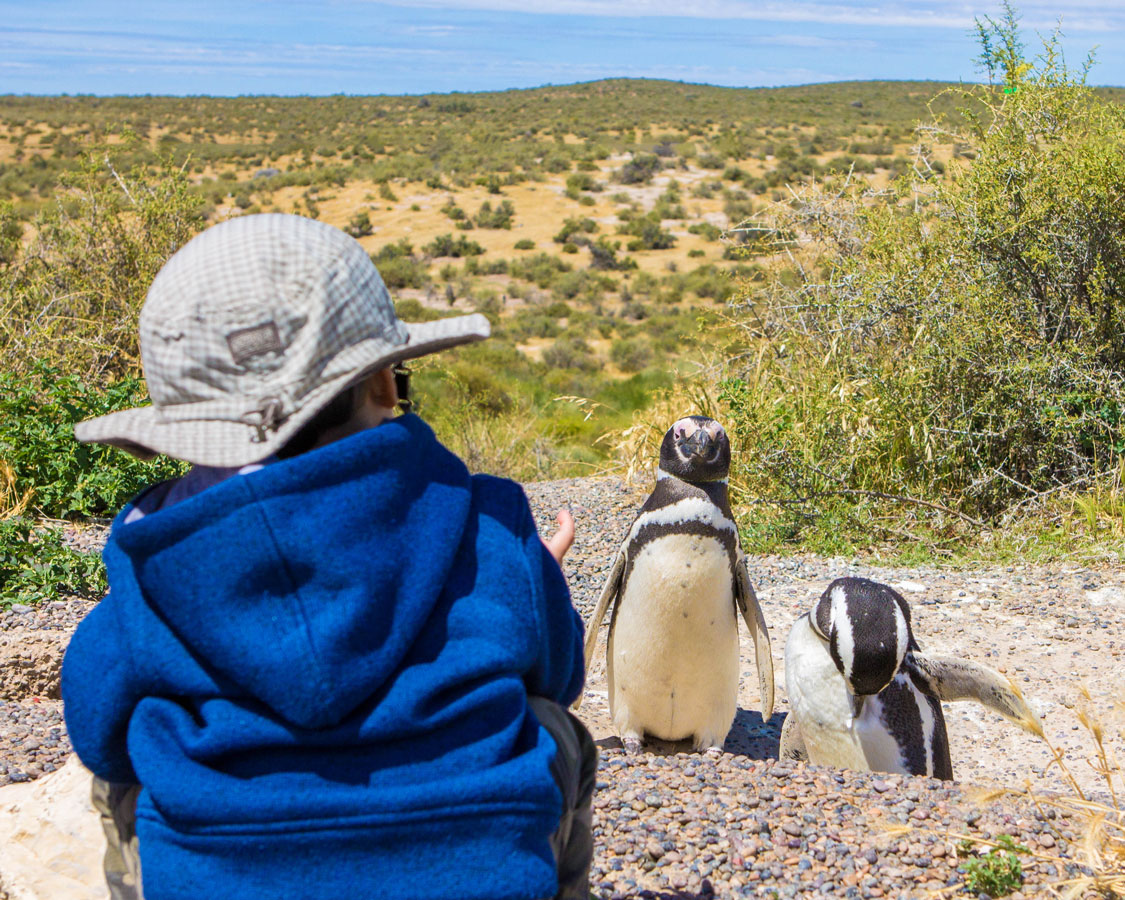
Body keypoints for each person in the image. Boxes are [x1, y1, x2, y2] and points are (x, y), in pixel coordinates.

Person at [61, 213, 596, 900]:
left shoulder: (151, 559)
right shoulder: (488, 523)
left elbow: (95, 728)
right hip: (481, 881)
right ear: (381, 386)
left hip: (218, 883)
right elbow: (559, 670)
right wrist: (531, 576)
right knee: (552, 725)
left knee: (129, 763)